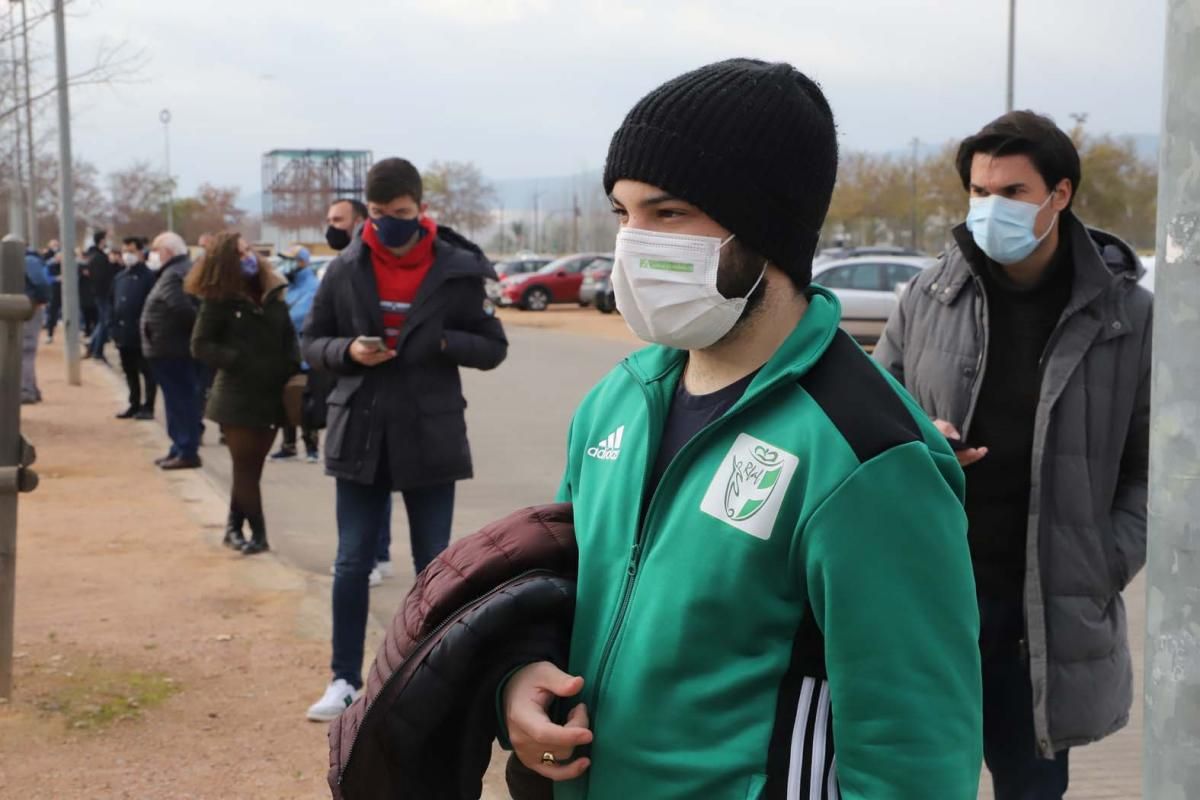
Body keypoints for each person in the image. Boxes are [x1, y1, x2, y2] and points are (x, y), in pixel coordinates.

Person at [499, 60, 983, 799]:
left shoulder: (867, 453)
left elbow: (913, 750)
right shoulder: (616, 403)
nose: (632, 244)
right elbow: (557, 586)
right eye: (621, 213)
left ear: (766, 227)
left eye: (667, 215)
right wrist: (523, 676)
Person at [874, 111, 1152, 800]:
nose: (988, 208)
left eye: (1011, 193)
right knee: (917, 783)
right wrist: (918, 444)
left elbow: (1160, 468)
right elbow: (864, 429)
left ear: (1060, 195)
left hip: (1042, 620)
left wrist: (1104, 559)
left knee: (1030, 789)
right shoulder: (926, 297)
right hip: (931, 602)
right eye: (978, 191)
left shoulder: (1128, 318)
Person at [302, 158, 508, 721]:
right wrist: (348, 351)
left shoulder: (458, 270)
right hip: (360, 431)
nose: (387, 225)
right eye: (376, 214)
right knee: (350, 563)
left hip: (429, 432)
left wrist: (443, 342)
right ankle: (343, 678)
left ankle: (428, 677)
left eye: (399, 214)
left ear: (420, 210)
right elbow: (312, 341)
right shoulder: (344, 268)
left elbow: (493, 346)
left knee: (434, 567)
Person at [189, 233, 300, 555]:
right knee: (245, 469)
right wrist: (239, 360)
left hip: (273, 395)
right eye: (240, 253)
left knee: (253, 468)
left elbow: (288, 334)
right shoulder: (218, 298)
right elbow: (200, 345)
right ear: (226, 260)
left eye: (249, 249)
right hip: (236, 397)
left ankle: (233, 528)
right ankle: (259, 534)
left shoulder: (272, 290)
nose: (248, 256)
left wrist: (293, 365)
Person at [141, 232, 204, 470]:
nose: (153, 254)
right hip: (167, 349)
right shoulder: (174, 272)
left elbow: (181, 309)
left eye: (156, 249)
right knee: (176, 400)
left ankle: (186, 449)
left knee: (181, 401)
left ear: (167, 252)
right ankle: (179, 446)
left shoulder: (174, 274)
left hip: (173, 350)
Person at [270, 245, 321, 462]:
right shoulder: (286, 286)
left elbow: (299, 318)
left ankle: (311, 447)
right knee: (285, 400)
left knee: (306, 402)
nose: (286, 265)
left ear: (303, 262)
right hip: (285, 354)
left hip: (305, 354)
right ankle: (288, 445)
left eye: (290, 260)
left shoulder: (313, 287)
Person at [112, 237, 157, 420]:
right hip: (123, 333)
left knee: (147, 372)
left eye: (131, 251)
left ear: (140, 252)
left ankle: (149, 406)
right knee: (129, 371)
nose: (127, 255)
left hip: (141, 335)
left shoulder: (149, 277)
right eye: (125, 251)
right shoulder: (120, 277)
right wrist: (112, 328)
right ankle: (134, 403)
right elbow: (112, 303)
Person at [17, 237, 50, 405]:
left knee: (24, 351)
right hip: (30, 305)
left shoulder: (24, 260)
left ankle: (27, 390)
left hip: (25, 306)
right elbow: (42, 283)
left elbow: (41, 283)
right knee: (27, 350)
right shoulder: (31, 260)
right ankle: (31, 389)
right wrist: (42, 300)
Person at [84, 230, 116, 363]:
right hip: (103, 294)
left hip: (99, 294)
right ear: (102, 241)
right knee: (104, 322)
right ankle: (97, 350)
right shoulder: (99, 258)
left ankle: (93, 346)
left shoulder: (95, 256)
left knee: (102, 322)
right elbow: (102, 277)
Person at [42, 240, 62, 343]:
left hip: (64, 293)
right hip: (53, 291)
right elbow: (45, 277)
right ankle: (50, 334)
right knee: (52, 313)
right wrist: (56, 279)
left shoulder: (66, 266)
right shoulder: (49, 265)